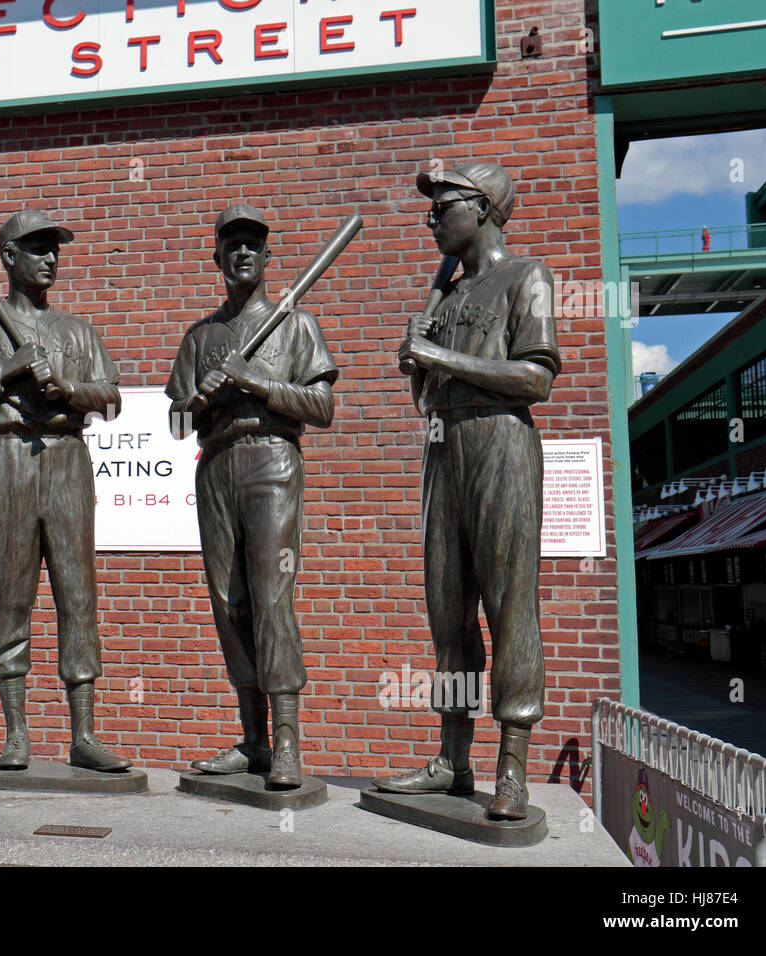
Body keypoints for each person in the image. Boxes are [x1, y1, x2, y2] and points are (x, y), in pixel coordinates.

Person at [379, 161, 560, 820]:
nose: (431, 217)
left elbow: (536, 378)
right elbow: (428, 395)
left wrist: (439, 358)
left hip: (502, 445)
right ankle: (453, 758)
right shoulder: (449, 295)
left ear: (482, 208)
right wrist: (416, 364)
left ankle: (511, 765)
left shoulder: (527, 276)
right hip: (444, 446)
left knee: (510, 604)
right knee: (448, 611)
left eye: (443, 205)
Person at [0, 210, 131, 773]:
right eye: (37, 249)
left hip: (67, 457)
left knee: (77, 593)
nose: (49, 259)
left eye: (54, 250)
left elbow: (111, 400)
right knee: (9, 594)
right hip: (6, 459)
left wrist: (70, 388)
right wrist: (6, 373)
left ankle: (84, 734)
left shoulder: (77, 330)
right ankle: (16, 732)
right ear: (7, 257)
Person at [165, 203, 338, 789]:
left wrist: (252, 379)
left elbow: (322, 408)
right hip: (215, 465)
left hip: (271, 460)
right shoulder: (200, 335)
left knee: (270, 596)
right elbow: (177, 419)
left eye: (253, 244)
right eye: (231, 244)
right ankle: (254, 740)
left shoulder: (296, 325)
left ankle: (287, 740)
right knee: (228, 599)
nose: (242, 252)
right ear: (217, 257)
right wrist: (198, 400)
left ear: (268, 257)